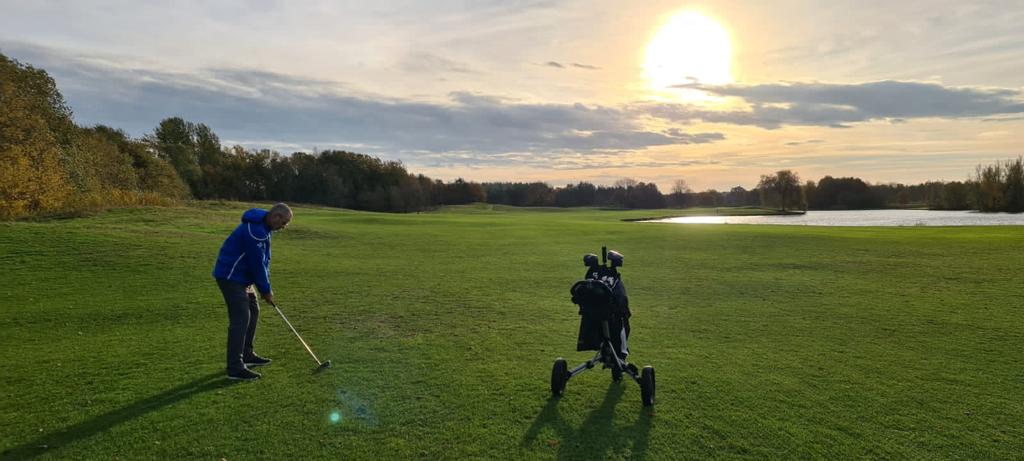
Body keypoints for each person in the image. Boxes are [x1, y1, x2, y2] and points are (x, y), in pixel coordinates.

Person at [212, 203, 292, 381]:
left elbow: (263, 262)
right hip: (230, 276)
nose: (284, 227)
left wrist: (265, 288)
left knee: (253, 311)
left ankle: (247, 354)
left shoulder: (264, 227)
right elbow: (256, 264)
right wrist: (266, 289)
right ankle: (234, 367)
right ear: (276, 217)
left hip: (243, 278)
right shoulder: (256, 231)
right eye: (284, 222)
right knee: (241, 318)